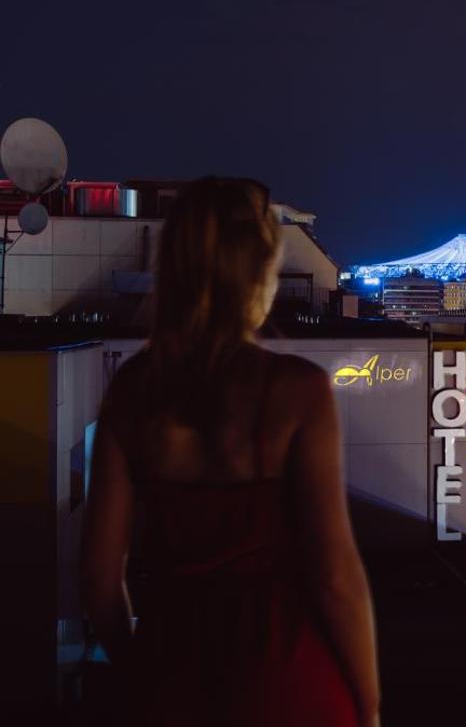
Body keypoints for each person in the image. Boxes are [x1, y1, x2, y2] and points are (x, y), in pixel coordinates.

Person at [80, 177, 380, 725]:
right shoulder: (298, 390)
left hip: (171, 682)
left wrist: (143, 669)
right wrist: (369, 706)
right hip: (290, 684)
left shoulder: (133, 390)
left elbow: (99, 577)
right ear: (261, 269)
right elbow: (336, 576)